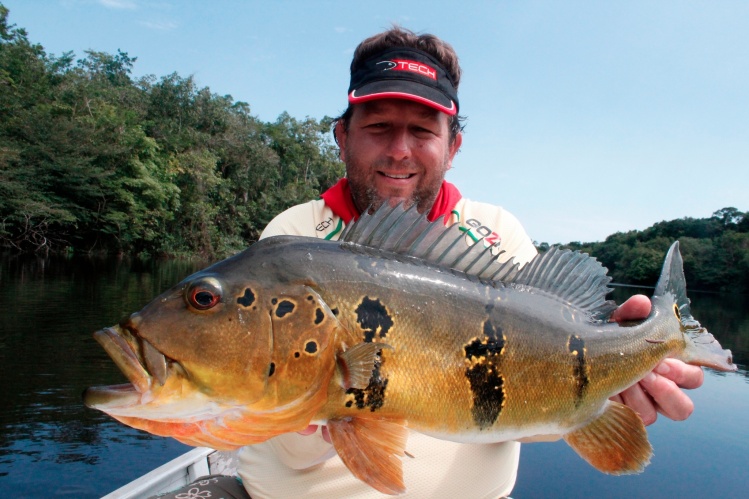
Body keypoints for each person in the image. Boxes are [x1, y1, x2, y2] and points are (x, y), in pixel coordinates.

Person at [158, 26, 704, 499]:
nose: (399, 149)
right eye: (378, 127)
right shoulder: (294, 239)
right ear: (342, 136)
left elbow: (524, 413)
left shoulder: (499, 236)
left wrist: (618, 380)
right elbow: (277, 424)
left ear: (453, 144)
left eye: (422, 131)